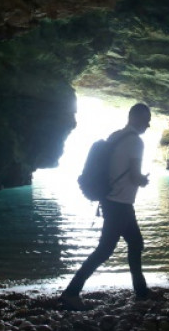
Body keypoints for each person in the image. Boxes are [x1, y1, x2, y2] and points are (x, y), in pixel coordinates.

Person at [59, 103, 154, 310]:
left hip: (113, 201)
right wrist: (144, 180)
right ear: (136, 118)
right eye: (146, 120)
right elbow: (135, 176)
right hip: (119, 204)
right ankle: (71, 293)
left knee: (135, 243)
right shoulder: (136, 142)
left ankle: (141, 292)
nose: (148, 125)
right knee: (104, 250)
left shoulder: (116, 136)